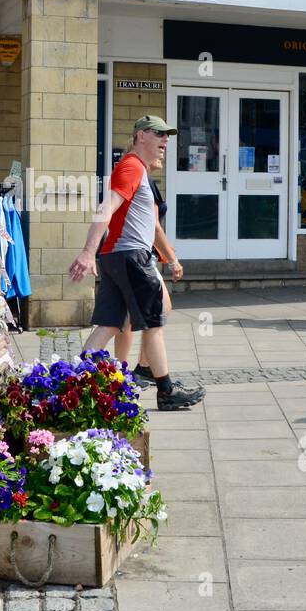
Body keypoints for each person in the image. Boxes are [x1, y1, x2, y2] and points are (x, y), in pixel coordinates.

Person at [68, 115, 205, 410]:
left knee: (108, 324)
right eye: (159, 134)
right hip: (131, 256)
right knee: (154, 322)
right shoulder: (131, 166)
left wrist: (95, 252)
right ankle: (166, 391)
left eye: (167, 136)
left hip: (116, 256)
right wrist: (87, 250)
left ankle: (74, 386)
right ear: (141, 135)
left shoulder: (136, 169)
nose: (165, 141)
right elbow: (106, 208)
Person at [113, 173, 182, 377]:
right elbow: (154, 226)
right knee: (130, 317)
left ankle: (138, 366)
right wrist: (172, 258)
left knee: (153, 311)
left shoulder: (143, 180)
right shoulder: (140, 179)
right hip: (137, 256)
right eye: (159, 141)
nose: (162, 151)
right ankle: (122, 370)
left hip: (137, 254)